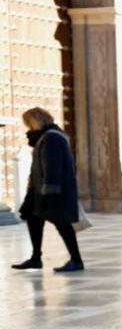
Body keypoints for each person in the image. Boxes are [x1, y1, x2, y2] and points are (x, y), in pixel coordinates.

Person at [11, 107, 83, 273]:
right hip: (41, 189)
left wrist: (49, 192)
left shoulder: (51, 137)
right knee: (33, 217)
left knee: (63, 224)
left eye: (28, 123)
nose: (28, 128)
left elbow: (53, 166)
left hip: (52, 191)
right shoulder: (49, 136)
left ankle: (77, 260)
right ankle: (36, 258)